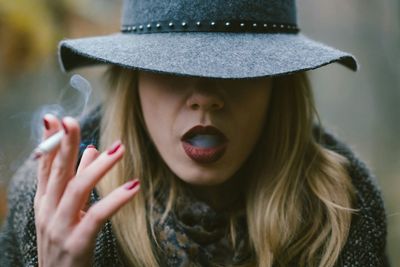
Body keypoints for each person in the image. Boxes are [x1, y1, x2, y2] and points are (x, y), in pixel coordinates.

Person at [0, 0, 388, 266]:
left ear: (279, 82)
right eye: (172, 67)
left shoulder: (339, 204)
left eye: (239, 66)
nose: (205, 97)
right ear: (133, 78)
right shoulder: (52, 204)